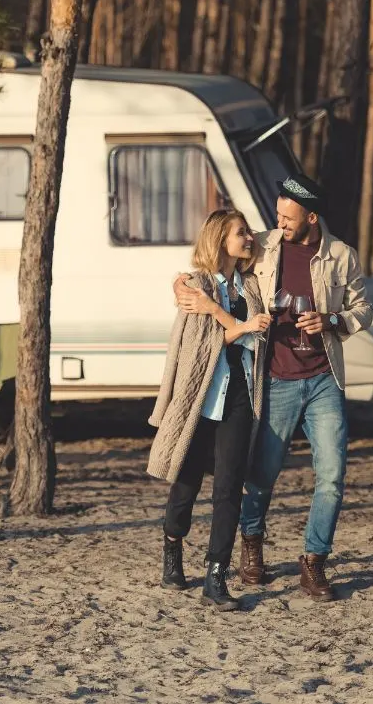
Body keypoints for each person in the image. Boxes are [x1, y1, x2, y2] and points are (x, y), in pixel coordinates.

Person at [175, 174, 372, 601]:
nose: (279, 222)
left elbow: (363, 309)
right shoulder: (262, 245)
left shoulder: (341, 255)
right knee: (261, 476)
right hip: (276, 379)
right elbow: (211, 262)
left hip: (323, 380)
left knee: (333, 476)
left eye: (287, 216)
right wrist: (182, 284)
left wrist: (333, 321)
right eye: (277, 214)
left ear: (312, 217)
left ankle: (314, 562)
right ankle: (252, 543)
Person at [147, 209, 270, 612]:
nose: (249, 238)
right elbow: (204, 342)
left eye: (250, 233)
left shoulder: (251, 286)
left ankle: (216, 576)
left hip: (238, 394)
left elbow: (250, 339)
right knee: (187, 483)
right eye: (241, 233)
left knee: (229, 488)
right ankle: (172, 547)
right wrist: (239, 326)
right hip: (199, 395)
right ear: (220, 239)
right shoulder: (196, 285)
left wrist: (233, 323)